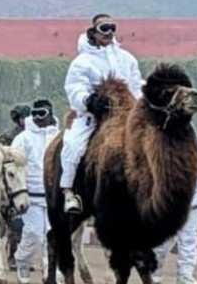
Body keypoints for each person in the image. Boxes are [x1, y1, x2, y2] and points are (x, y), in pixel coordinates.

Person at [60, 13, 142, 215]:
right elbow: (74, 88)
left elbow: (136, 86)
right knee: (73, 146)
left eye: (113, 28)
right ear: (93, 32)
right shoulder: (82, 62)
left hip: (125, 115)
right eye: (104, 28)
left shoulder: (127, 59)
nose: (109, 33)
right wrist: (89, 101)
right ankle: (69, 191)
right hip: (94, 116)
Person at [9, 99, 61, 284]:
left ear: (50, 114)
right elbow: (13, 166)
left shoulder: (60, 136)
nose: (38, 118)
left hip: (54, 195)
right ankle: (22, 261)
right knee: (34, 234)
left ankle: (52, 274)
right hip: (30, 195)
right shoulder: (23, 138)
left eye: (42, 114)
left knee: (52, 235)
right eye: (35, 114)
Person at [154, 134, 197, 284]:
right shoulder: (160, 139)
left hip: (190, 199)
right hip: (167, 198)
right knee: (163, 240)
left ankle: (185, 276)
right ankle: (154, 273)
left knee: (189, 240)